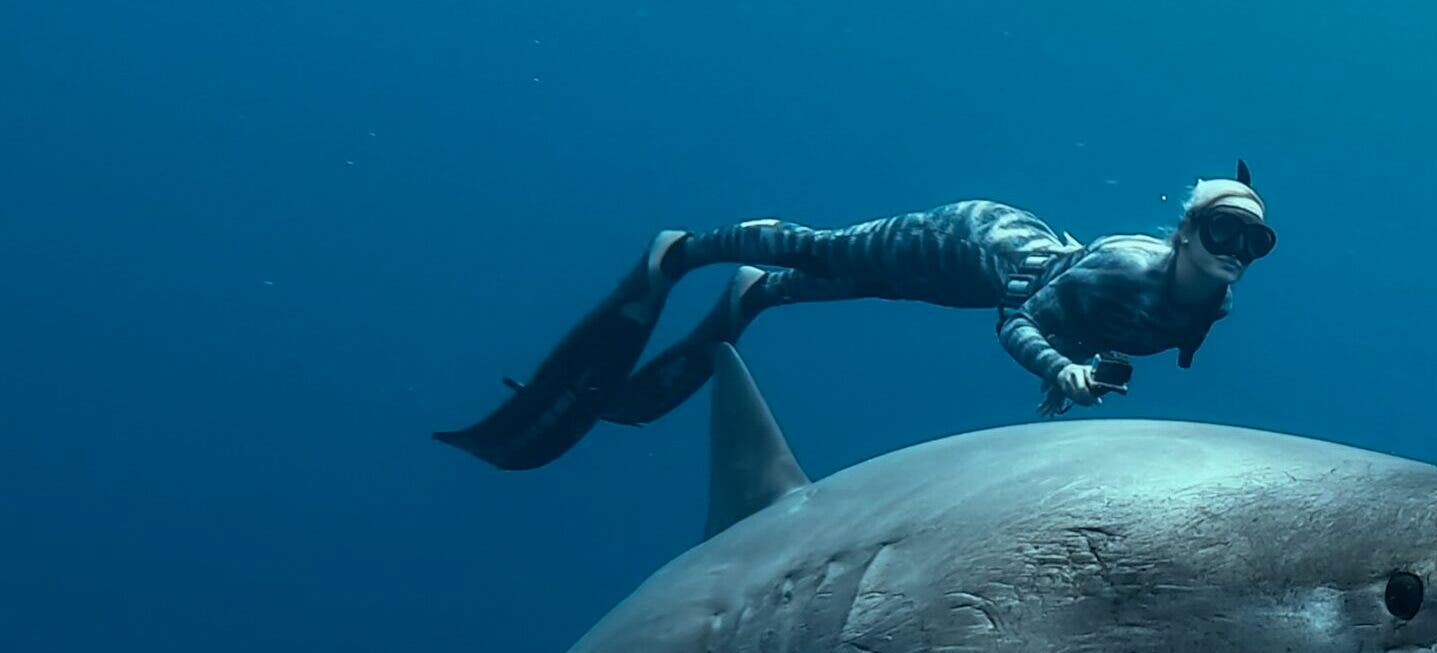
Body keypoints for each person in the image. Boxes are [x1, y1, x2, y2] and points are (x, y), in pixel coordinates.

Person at [434, 162, 1277, 470]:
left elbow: (1088, 332)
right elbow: (1021, 320)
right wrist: (1059, 370)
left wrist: (1076, 374)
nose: (1232, 249)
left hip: (983, 276)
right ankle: (686, 250)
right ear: (1182, 229)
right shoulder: (1128, 267)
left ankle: (751, 294)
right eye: (1217, 229)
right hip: (972, 242)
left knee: (863, 286)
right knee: (830, 251)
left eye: (1251, 239)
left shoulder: (1212, 304)